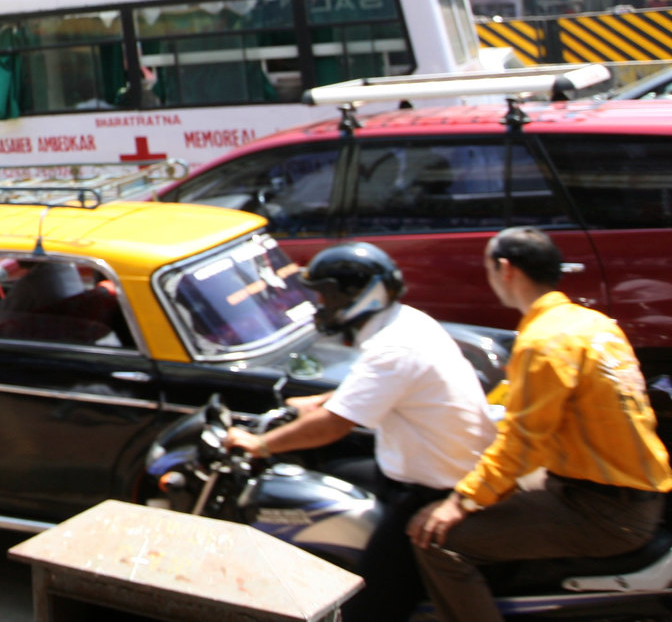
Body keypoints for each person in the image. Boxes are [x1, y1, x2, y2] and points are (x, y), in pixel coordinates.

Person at [411, 227, 672, 622]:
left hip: (604, 512)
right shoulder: (593, 324)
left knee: (438, 543)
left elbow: (522, 444)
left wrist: (460, 501)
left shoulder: (543, 342)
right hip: (625, 493)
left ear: (505, 269)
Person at [226, 242, 495, 622]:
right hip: (427, 466)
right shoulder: (406, 322)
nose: (321, 304)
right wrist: (316, 401)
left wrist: (261, 444)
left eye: (325, 294)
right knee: (334, 471)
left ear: (354, 295)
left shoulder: (393, 346)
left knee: (371, 605)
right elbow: (371, 387)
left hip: (434, 488)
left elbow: (336, 424)